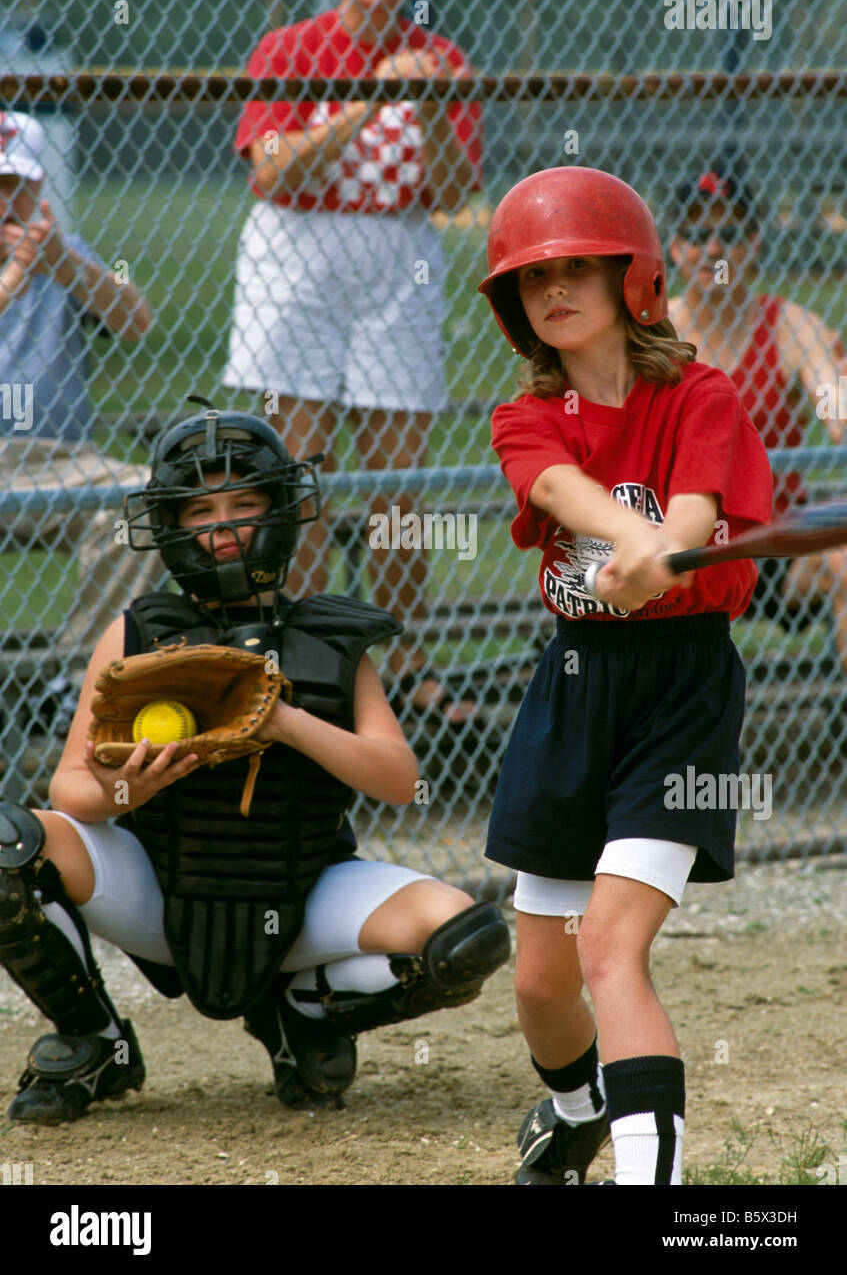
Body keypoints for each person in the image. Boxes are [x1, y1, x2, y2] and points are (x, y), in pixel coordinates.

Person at [0, 402, 509, 1124]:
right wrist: (125, 788)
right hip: (160, 889)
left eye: (244, 503)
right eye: (200, 509)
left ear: (280, 510)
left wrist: (283, 721)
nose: (224, 524)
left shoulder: (330, 638)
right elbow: (70, 788)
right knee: (7, 844)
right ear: (170, 526)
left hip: (303, 889)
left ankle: (303, 1013)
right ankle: (95, 1041)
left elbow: (398, 779)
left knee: (465, 938)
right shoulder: (139, 631)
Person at [477, 166, 773, 1186]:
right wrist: (624, 537)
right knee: (539, 985)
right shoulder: (524, 415)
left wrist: (666, 548)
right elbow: (553, 484)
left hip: (681, 690)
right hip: (573, 686)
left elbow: (698, 509)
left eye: (576, 269)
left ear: (631, 278)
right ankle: (575, 1108)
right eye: (532, 278)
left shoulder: (702, 392)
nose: (552, 290)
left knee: (609, 946)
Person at [223, 0, 483, 726]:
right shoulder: (291, 49)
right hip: (295, 252)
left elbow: (450, 190)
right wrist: (372, 99)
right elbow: (272, 172)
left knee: (395, 484)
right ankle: (303, 652)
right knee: (297, 475)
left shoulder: (441, 58)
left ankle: (403, 656)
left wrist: (433, 105)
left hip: (395, 252)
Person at [0, 110, 164, 663]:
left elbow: (136, 320)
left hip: (62, 460)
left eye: (13, 185)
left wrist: (65, 267)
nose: (3, 201)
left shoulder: (63, 249)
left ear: (38, 185)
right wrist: (11, 281)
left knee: (148, 494)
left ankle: (79, 674)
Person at [668, 168, 847, 663]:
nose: (713, 249)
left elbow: (835, 408)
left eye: (729, 234)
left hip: (776, 542)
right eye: (698, 235)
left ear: (754, 243)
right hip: (683, 538)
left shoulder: (788, 324)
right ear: (676, 247)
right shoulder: (656, 332)